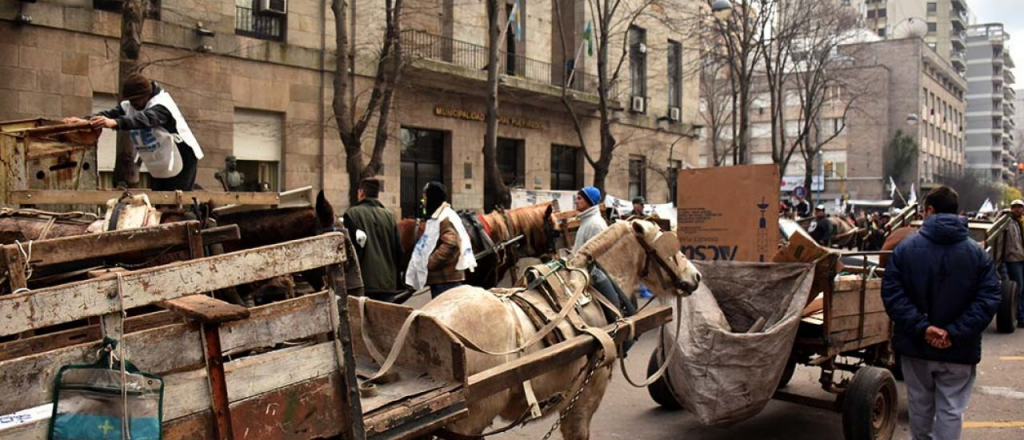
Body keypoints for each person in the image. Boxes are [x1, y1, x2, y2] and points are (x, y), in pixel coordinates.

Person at [881, 186, 1001, 440]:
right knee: (951, 410)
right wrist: (953, 332)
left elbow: (892, 294)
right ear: (957, 212)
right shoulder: (978, 254)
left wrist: (923, 328)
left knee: (920, 408)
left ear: (930, 211)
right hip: (959, 350)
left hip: (916, 347)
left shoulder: (904, 250)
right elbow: (989, 299)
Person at [63, 73, 203, 191]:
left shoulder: (161, 106)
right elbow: (108, 114)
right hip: (160, 161)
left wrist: (116, 123)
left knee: (175, 201)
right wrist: (85, 121)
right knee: (159, 202)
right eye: (130, 100)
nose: (133, 104)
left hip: (182, 156)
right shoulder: (130, 106)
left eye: (136, 100)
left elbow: (144, 119)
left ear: (146, 95)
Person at [573, 186, 637, 320]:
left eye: (579, 198)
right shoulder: (587, 222)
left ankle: (616, 321)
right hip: (581, 270)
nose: (576, 201)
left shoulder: (595, 224)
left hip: (593, 273)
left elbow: (600, 257)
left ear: (589, 201)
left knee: (612, 311)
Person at [405, 182, 476, 298]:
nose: (424, 202)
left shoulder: (445, 218)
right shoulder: (440, 215)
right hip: (444, 279)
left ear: (433, 198)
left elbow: (451, 243)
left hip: (446, 280)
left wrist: (430, 263)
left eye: (425, 198)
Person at [343, 178, 403, 302]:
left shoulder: (351, 214)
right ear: (377, 194)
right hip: (387, 284)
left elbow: (349, 251)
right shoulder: (390, 216)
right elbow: (399, 251)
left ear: (361, 192)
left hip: (363, 283)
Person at [1004, 199, 1024, 326]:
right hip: (1014, 258)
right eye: (1014, 207)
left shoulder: (1022, 221)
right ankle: (1020, 315)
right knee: (1019, 287)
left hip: (1023, 257)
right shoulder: (1007, 221)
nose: (1017, 209)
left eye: (1020, 207)